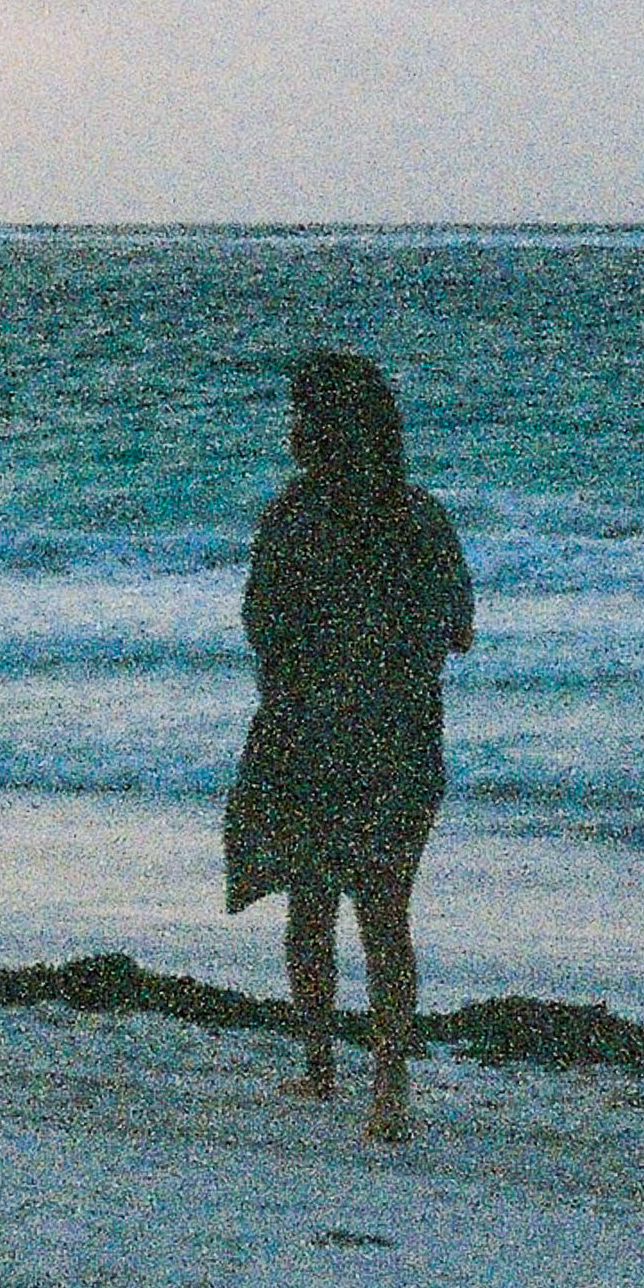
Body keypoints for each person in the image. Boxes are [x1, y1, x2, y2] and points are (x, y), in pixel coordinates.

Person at [226, 351, 474, 1144]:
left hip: (312, 733)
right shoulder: (421, 517)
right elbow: (459, 629)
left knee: (313, 905)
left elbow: (262, 626)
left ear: (332, 430)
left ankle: (323, 1065)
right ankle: (386, 1087)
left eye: (305, 417)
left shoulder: (290, 519)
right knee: (383, 911)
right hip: (397, 734)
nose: (293, 431)